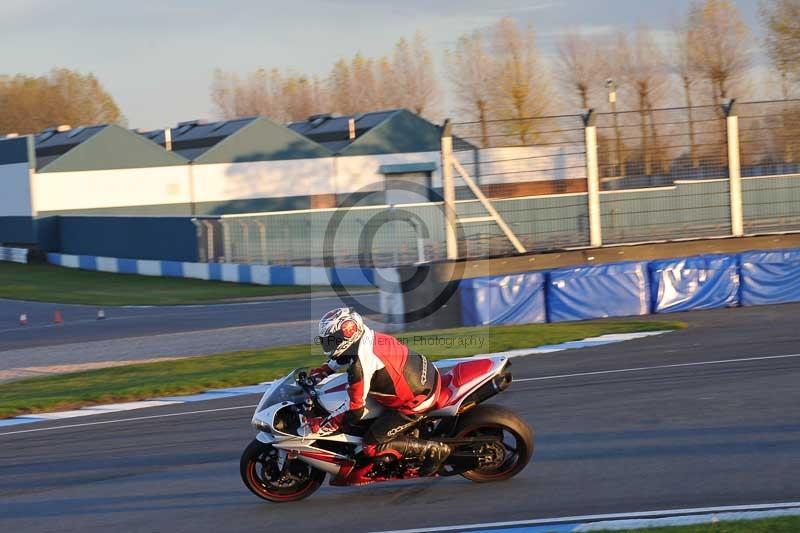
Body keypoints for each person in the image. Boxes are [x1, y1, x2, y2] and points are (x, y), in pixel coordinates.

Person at [306, 307, 451, 481]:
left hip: (415, 401)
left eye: (333, 340)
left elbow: (355, 410)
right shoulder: (365, 336)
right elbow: (345, 356)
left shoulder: (361, 366)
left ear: (348, 333)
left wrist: (324, 423)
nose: (329, 344)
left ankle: (433, 450)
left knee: (371, 445)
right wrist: (324, 370)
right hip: (422, 375)